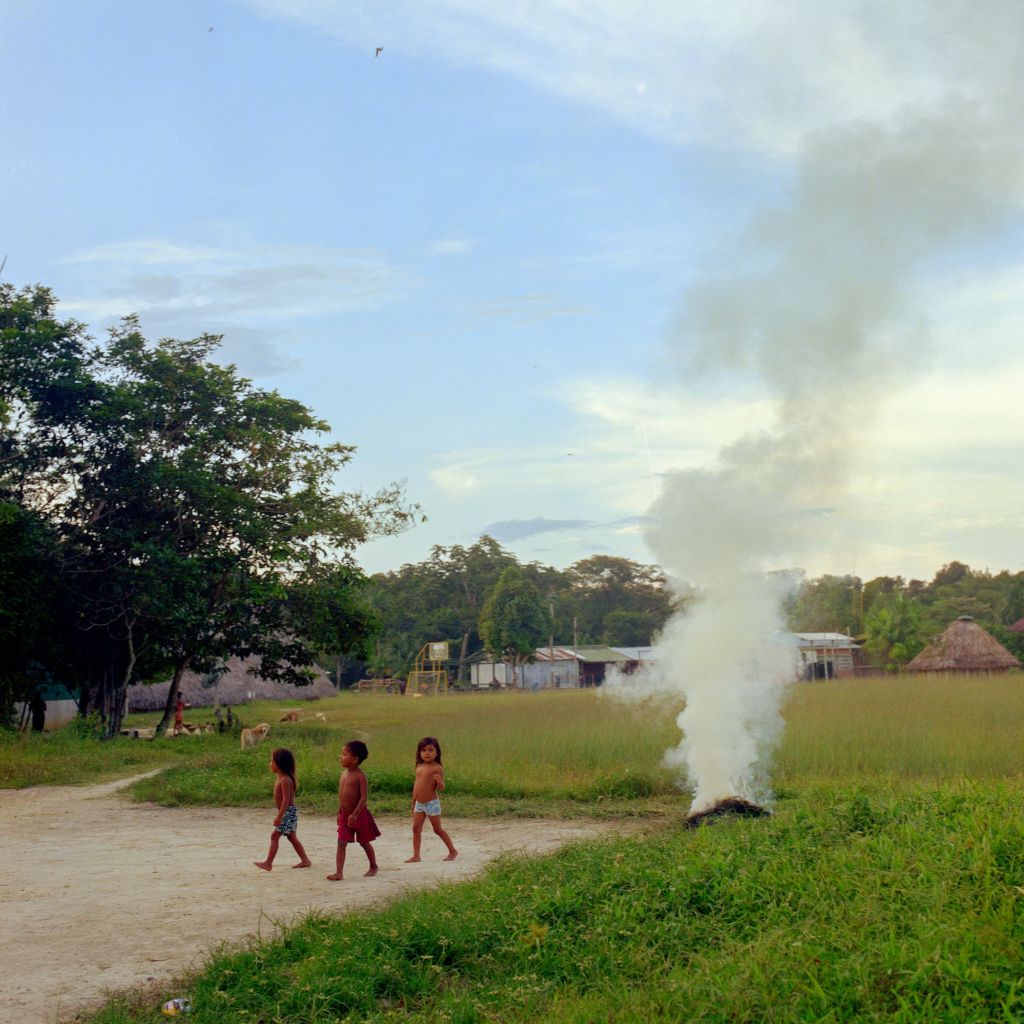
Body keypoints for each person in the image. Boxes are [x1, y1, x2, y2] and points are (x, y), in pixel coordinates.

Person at [327, 740, 380, 880]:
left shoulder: (360, 776)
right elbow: (341, 795)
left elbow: (363, 798)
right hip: (345, 815)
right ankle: (339, 872)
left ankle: (373, 865)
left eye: (344, 754)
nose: (340, 757)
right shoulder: (343, 775)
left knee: (364, 842)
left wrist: (355, 814)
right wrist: (339, 813)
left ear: (355, 759)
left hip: (359, 815)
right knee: (341, 842)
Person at [253, 748, 312, 871]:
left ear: (280, 764)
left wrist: (279, 817)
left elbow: (286, 800)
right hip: (288, 813)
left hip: (287, 813)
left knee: (275, 836)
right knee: (292, 837)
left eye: (272, 761)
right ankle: (305, 860)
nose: (270, 764)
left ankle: (268, 863)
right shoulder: (281, 778)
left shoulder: (285, 780)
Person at [406, 736, 458, 862]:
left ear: (437, 752)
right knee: (416, 828)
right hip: (419, 803)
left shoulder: (437, 768)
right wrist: (413, 803)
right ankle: (416, 855)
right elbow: (416, 786)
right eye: (424, 750)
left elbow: (440, 788)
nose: (427, 753)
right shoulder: (419, 766)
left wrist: (439, 782)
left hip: (431, 803)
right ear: (419, 752)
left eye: (430, 750)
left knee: (437, 829)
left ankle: (453, 851)